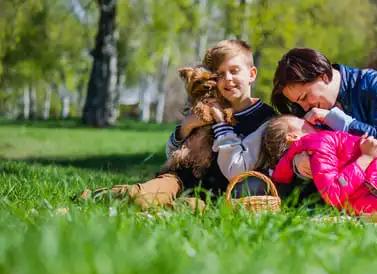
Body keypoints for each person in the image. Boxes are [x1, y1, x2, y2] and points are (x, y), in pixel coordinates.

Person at [78, 39, 276, 211]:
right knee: (141, 197)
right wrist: (186, 127)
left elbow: (240, 169)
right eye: (220, 74)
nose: (227, 79)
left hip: (217, 195)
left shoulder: (264, 119)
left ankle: (145, 213)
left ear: (251, 74)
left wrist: (220, 123)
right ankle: (94, 197)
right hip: (179, 178)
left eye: (234, 71)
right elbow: (173, 153)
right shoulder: (206, 104)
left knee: (183, 209)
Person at [271, 48, 377, 170]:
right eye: (297, 103)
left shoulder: (376, 84)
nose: (304, 107)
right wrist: (296, 162)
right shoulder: (306, 107)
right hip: (335, 185)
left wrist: (335, 120)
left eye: (305, 97)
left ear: (323, 76)